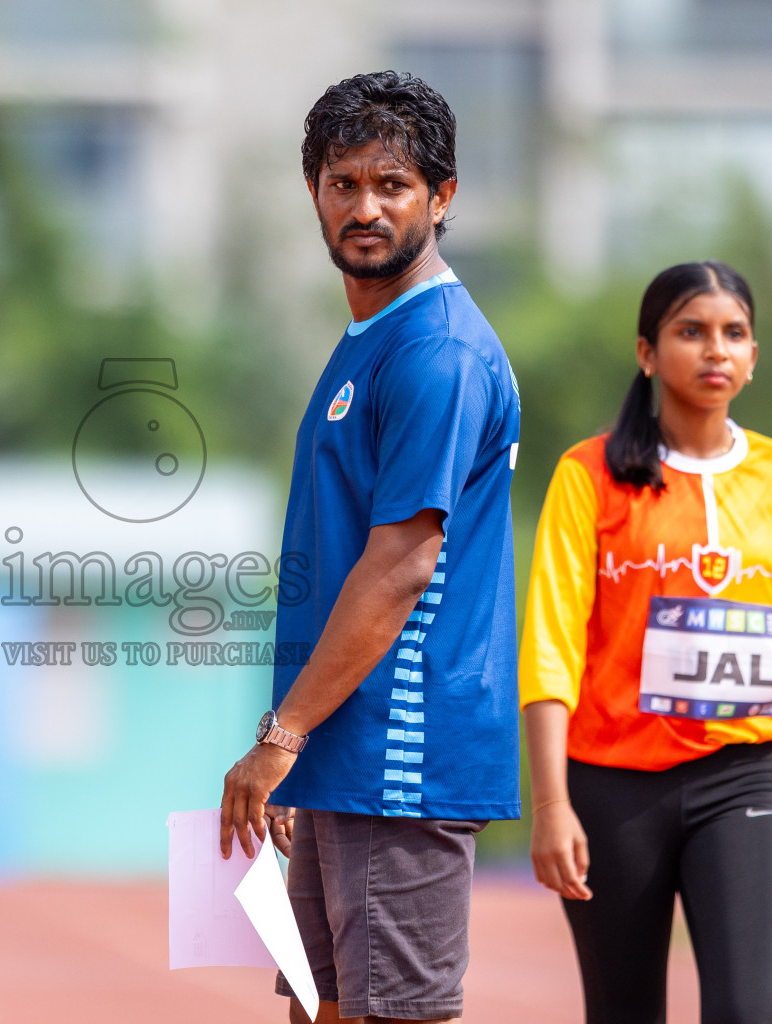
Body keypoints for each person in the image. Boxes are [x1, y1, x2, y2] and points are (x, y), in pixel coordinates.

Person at [220, 71, 522, 1024]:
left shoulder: (437, 351)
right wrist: (302, 747)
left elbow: (400, 565)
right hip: (346, 749)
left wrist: (281, 739)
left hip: (403, 746)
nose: (366, 206)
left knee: (394, 1014)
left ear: (443, 198)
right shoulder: (370, 339)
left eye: (392, 184)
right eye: (343, 181)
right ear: (312, 189)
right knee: (327, 1008)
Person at [520, 261, 772, 1024]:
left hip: (746, 779)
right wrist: (552, 803)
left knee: (746, 1012)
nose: (714, 350)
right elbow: (550, 645)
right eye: (691, 332)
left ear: (754, 356)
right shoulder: (588, 474)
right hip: (612, 787)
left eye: (733, 334)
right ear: (647, 352)